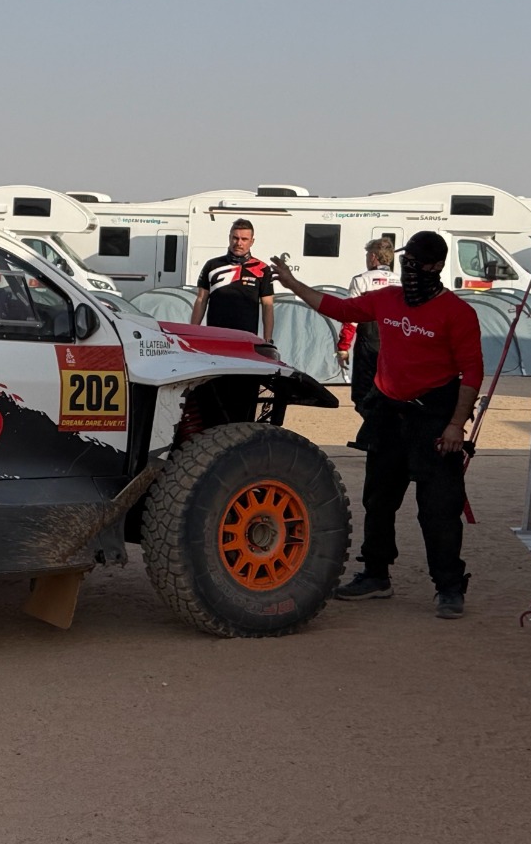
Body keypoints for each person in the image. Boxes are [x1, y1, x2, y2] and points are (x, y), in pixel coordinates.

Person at [271, 230, 483, 619]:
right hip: (388, 413)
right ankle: (375, 574)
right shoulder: (386, 299)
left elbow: (472, 373)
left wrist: (456, 425)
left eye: (417, 262)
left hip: (434, 418)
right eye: (407, 261)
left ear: (436, 266)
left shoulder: (458, 312)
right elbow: (338, 308)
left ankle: (449, 587)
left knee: (438, 507)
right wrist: (292, 284)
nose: (409, 269)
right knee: (378, 500)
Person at [339, 238, 398, 449]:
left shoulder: (361, 280)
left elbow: (350, 317)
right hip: (395, 344)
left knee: (361, 395)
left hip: (369, 341)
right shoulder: (402, 281)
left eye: (367, 255)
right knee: (388, 392)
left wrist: (343, 347)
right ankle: (376, 436)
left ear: (372, 257)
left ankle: (376, 436)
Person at [191, 219, 275, 341]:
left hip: (246, 338)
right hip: (215, 336)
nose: (239, 243)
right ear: (229, 238)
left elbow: (268, 305)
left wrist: (268, 339)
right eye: (235, 238)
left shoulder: (262, 269)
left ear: (252, 242)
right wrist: (192, 332)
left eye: (244, 239)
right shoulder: (212, 265)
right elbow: (201, 300)